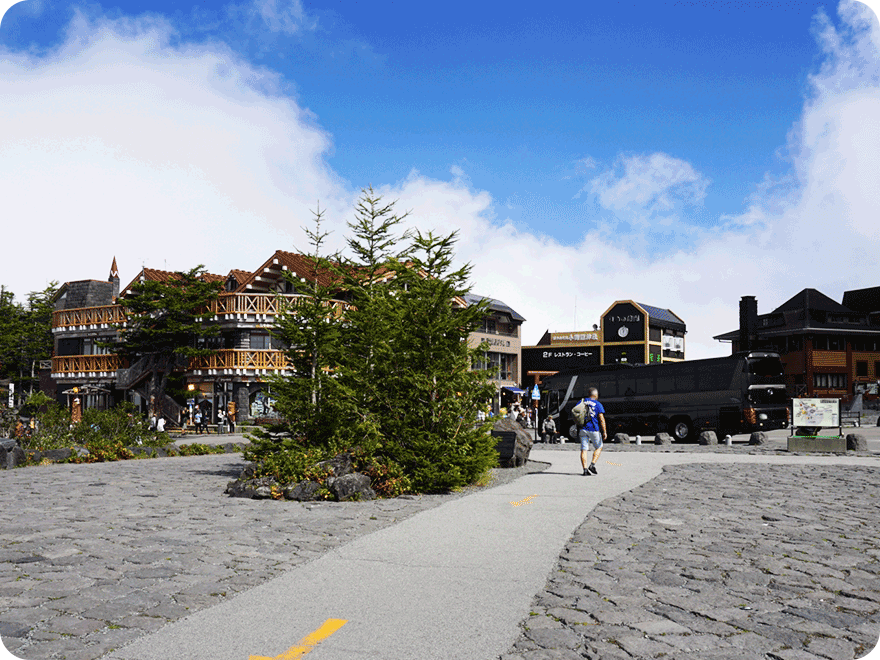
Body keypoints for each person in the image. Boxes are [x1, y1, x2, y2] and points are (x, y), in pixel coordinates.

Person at [576, 387, 606, 476]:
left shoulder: (581, 402)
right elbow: (601, 419)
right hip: (594, 429)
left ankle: (585, 470)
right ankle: (592, 465)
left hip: (582, 428)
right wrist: (604, 431)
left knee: (584, 449)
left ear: (588, 394)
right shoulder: (597, 404)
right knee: (599, 446)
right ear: (596, 395)